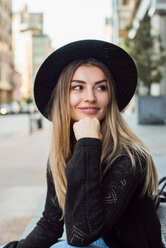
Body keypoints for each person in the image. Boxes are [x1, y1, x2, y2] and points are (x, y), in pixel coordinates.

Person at [2, 40, 162, 248]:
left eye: (101, 88)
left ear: (110, 96)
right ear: (62, 95)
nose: (90, 97)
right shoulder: (62, 153)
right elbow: (51, 224)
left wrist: (88, 144)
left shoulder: (130, 157)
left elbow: (81, 234)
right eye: (78, 87)